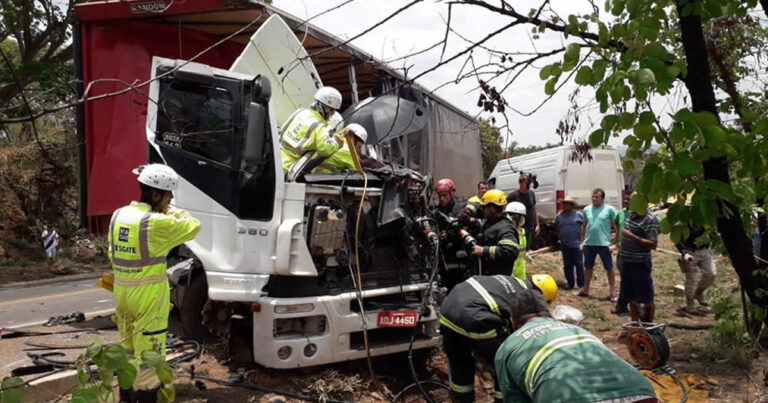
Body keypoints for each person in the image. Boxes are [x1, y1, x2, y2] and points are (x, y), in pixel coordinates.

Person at [109, 164, 201, 402]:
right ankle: (147, 397)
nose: (169, 200)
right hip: (147, 298)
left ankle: (126, 398)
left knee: (127, 350)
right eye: (168, 196)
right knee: (149, 355)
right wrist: (173, 210)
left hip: (122, 295)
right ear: (156, 195)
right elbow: (193, 227)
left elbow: (112, 254)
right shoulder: (155, 223)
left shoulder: (119, 215)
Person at [495, 289, 657, 403]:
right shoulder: (578, 330)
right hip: (641, 392)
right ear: (551, 315)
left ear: (514, 323)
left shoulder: (508, 347)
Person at [440, 274, 557, 403]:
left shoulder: (511, 280)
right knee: (504, 363)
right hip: (475, 317)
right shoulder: (524, 298)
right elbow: (520, 331)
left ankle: (461, 399)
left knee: (460, 362)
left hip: (447, 312)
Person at [280, 86, 345, 173]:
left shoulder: (300, 112)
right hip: (288, 168)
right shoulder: (319, 126)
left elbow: (283, 129)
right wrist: (337, 141)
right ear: (325, 108)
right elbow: (325, 149)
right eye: (332, 110)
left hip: (276, 158)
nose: (333, 114)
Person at [619, 202, 659, 322]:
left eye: (634, 200)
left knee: (646, 298)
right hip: (626, 261)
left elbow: (653, 244)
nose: (629, 202)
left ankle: (648, 327)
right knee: (631, 297)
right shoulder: (630, 214)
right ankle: (635, 326)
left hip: (640, 263)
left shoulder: (649, 219)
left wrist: (632, 237)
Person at [578, 188, 618, 300]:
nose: (594, 199)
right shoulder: (586, 209)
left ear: (602, 199)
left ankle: (612, 292)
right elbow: (584, 226)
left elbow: (616, 226)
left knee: (609, 268)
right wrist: (582, 242)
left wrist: (615, 243)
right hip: (589, 244)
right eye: (593, 197)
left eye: (597, 197)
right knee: (588, 267)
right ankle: (585, 289)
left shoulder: (610, 210)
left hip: (604, 244)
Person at [472, 190, 520, 276]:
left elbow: (510, 250)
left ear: (492, 209)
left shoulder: (505, 227)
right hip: (485, 275)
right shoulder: (491, 222)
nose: (482, 210)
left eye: (484, 207)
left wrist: (483, 250)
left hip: (496, 278)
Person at [675, 225, 715, 315]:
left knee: (711, 274)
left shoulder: (705, 220)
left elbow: (713, 233)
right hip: (690, 252)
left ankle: (698, 293)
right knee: (691, 279)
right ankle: (690, 304)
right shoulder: (683, 222)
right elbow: (677, 239)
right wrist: (684, 253)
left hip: (705, 251)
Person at [554, 196, 584, 290]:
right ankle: (570, 283)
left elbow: (584, 226)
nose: (564, 206)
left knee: (578, 264)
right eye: (564, 204)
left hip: (576, 244)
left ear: (571, 206)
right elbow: (556, 226)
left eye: (567, 204)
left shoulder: (578, 215)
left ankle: (581, 284)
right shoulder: (559, 216)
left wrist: (582, 240)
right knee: (567, 264)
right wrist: (560, 236)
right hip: (565, 244)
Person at [613, 191, 633, 315]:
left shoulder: (641, 214)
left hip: (635, 252)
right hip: (622, 250)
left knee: (632, 279)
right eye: (625, 200)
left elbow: (657, 225)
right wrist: (616, 241)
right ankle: (622, 305)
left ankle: (631, 305)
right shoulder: (620, 213)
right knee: (624, 278)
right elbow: (616, 224)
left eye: (629, 200)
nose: (626, 202)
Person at [507, 173, 539, 248]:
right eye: (526, 182)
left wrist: (537, 224)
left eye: (529, 182)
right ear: (520, 183)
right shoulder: (513, 195)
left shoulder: (531, 194)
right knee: (518, 247)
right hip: (518, 227)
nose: (528, 184)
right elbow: (505, 209)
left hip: (529, 226)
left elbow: (534, 209)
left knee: (527, 247)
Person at [505, 202, 528, 280]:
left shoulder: (523, 231)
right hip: (510, 269)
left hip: (520, 267)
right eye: (521, 216)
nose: (522, 219)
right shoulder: (507, 232)